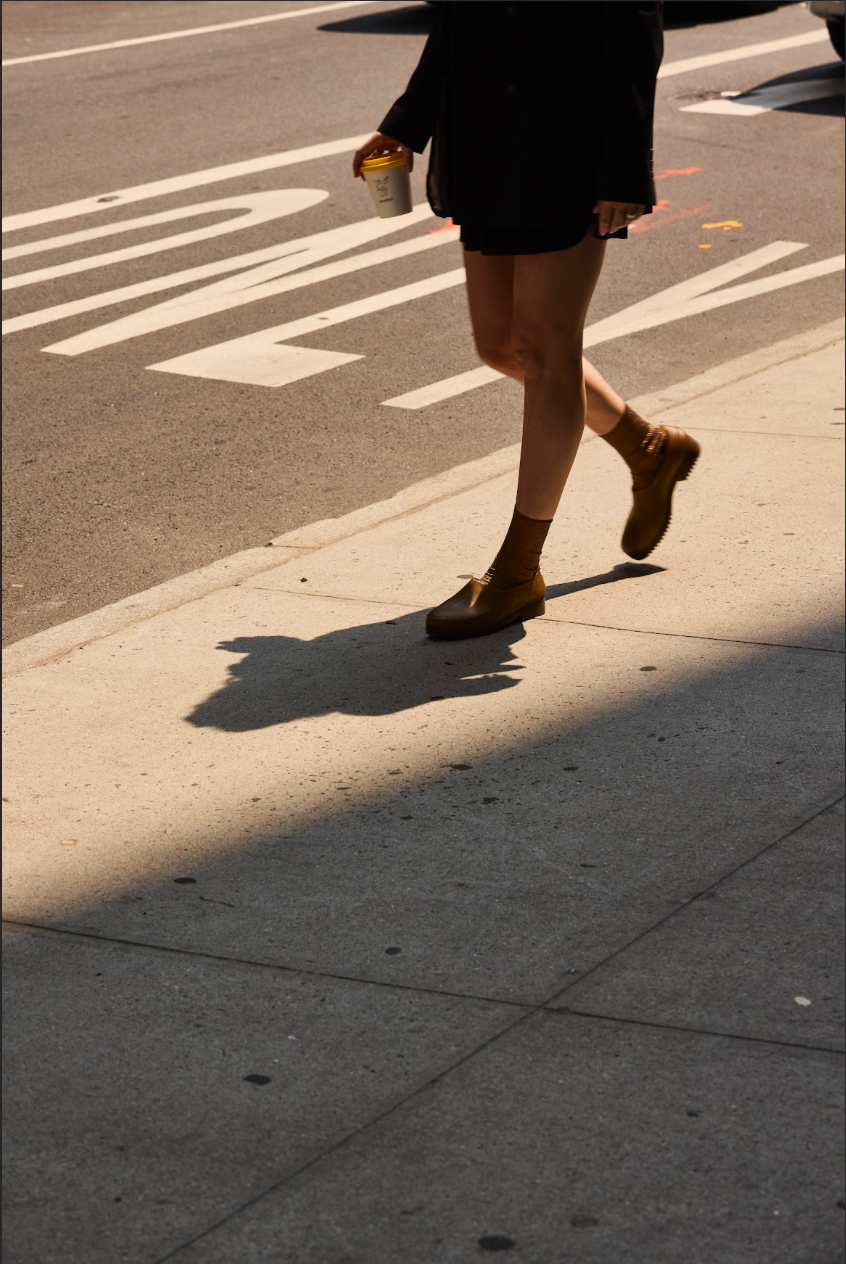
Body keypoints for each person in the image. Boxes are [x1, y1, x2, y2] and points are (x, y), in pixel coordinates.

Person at [353, 1, 700, 640]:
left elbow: (634, 40)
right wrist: (406, 123)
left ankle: (518, 573)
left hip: (568, 145)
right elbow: (455, 24)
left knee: (545, 349)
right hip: (485, 139)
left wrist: (625, 167)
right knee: (500, 346)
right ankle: (649, 449)